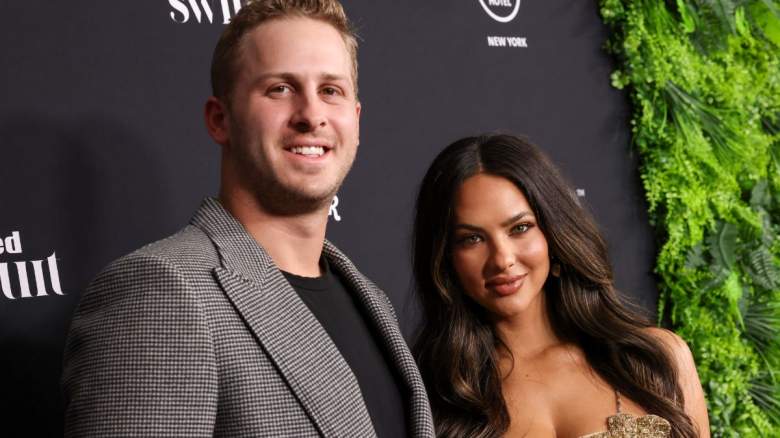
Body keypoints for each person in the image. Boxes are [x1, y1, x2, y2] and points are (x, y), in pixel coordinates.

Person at [62, 1, 434, 436]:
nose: (312, 115)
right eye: (280, 88)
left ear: (355, 119)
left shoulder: (371, 300)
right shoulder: (163, 293)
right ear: (220, 120)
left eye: (331, 90)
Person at [412, 134, 709, 437]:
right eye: (471, 239)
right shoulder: (431, 397)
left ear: (553, 233)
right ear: (445, 257)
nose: (502, 259)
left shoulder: (657, 359)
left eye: (520, 228)